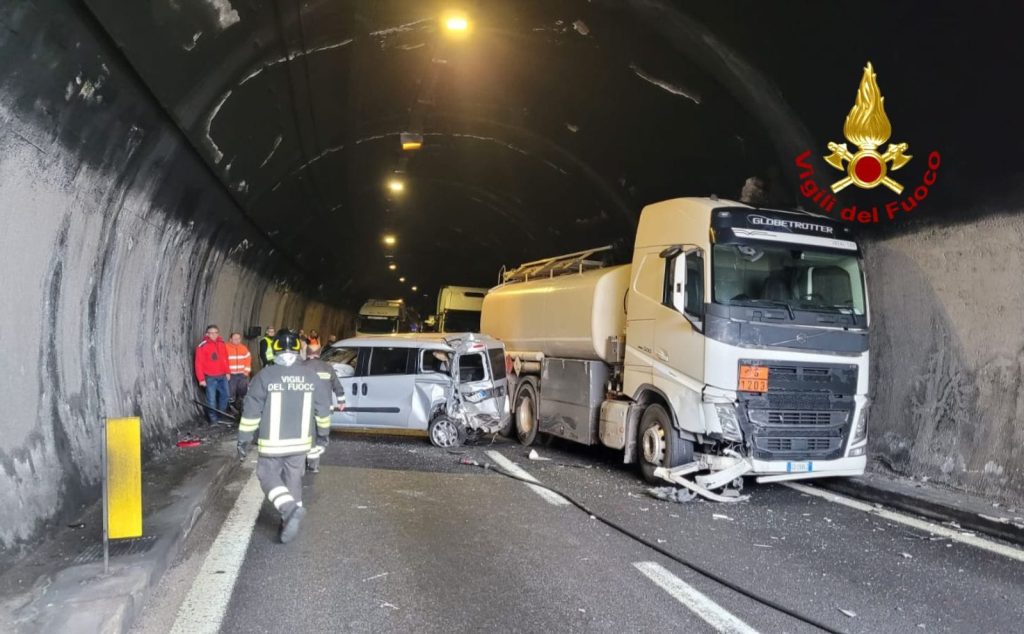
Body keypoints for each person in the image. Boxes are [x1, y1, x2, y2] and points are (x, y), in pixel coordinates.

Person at [237, 331, 332, 544]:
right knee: (293, 478)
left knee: (267, 475)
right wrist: (323, 437)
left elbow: (251, 412)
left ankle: (288, 509)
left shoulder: (265, 376)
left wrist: (243, 440)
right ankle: (288, 519)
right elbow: (323, 411)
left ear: (275, 350)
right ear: (299, 350)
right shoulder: (311, 376)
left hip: (272, 442)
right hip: (301, 443)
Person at [302, 343, 346, 473]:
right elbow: (337, 386)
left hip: (306, 408)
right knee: (321, 437)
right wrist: (341, 401)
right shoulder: (327, 367)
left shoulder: (301, 367)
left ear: (307, 352)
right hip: (324, 409)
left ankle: (305, 462)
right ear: (320, 353)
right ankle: (314, 464)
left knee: (307, 435)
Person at [195, 325, 231, 424]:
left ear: (218, 333)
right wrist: (201, 379)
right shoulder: (202, 346)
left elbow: (225, 359)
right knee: (211, 400)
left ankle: (221, 416)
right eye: (211, 333)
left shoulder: (222, 343)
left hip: (222, 376)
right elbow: (198, 364)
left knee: (226, 396)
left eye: (215, 332)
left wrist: (227, 372)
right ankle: (213, 421)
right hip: (210, 377)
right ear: (207, 334)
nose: (213, 335)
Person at [225, 332, 252, 416]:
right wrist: (226, 372)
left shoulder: (243, 348)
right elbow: (223, 361)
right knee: (230, 392)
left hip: (242, 375)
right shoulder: (225, 348)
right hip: (231, 375)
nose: (237, 340)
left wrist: (246, 372)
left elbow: (248, 360)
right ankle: (231, 410)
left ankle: (241, 409)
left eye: (239, 339)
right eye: (235, 339)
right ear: (230, 339)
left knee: (243, 392)